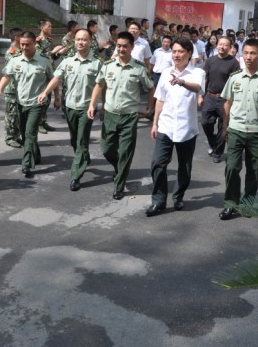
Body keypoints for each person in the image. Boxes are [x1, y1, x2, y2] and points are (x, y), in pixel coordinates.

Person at [219, 38, 258, 220]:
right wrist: (224, 126)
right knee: (231, 168)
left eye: (253, 53)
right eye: (246, 53)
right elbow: (227, 102)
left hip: (257, 131)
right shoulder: (234, 77)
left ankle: (247, 204)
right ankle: (230, 203)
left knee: (253, 170)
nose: (248, 57)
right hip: (236, 129)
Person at [88, 31, 155, 200]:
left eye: (125, 46)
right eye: (119, 46)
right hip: (110, 114)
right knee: (106, 148)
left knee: (125, 152)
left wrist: (149, 107)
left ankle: (119, 185)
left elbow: (150, 87)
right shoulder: (108, 65)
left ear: (132, 47)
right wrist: (92, 104)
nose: (121, 49)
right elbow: (99, 85)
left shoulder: (139, 68)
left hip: (129, 116)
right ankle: (120, 168)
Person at [37, 29, 102, 191]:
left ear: (90, 42)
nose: (81, 42)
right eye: (78, 39)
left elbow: (102, 86)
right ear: (74, 41)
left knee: (80, 140)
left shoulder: (97, 63)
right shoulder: (67, 61)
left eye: (84, 40)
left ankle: (75, 175)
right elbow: (56, 78)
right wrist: (45, 92)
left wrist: (101, 106)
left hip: (87, 108)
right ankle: (84, 158)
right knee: (75, 139)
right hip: (70, 106)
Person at [146, 38, 205, 216]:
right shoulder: (165, 73)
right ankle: (159, 201)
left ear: (188, 53)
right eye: (174, 51)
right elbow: (160, 100)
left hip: (187, 128)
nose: (177, 55)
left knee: (184, 167)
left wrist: (182, 82)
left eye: (180, 51)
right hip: (166, 125)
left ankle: (178, 196)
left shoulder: (197, 73)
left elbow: (197, 88)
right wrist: (155, 123)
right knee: (157, 164)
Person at [0, 31, 57, 177]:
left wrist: (56, 97)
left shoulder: (44, 60)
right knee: (25, 133)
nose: (24, 47)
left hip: (37, 103)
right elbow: (7, 75)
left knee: (29, 133)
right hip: (21, 102)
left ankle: (27, 163)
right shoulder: (15, 60)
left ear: (34, 43)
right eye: (22, 44)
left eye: (27, 44)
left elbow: (53, 79)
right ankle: (37, 155)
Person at [199, 36, 240, 163]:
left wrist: (234, 100)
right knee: (205, 122)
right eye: (220, 44)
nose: (222, 47)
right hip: (210, 96)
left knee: (223, 126)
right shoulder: (210, 60)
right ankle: (212, 143)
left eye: (225, 45)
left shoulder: (234, 63)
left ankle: (218, 152)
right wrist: (200, 95)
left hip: (225, 99)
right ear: (217, 45)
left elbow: (236, 82)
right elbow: (204, 78)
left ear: (230, 47)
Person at [4, 28, 23, 148]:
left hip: (19, 88)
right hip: (11, 88)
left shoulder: (20, 51)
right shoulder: (11, 52)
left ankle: (16, 135)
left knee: (17, 115)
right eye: (21, 36)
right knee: (11, 114)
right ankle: (9, 137)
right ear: (16, 38)